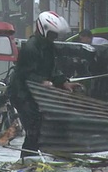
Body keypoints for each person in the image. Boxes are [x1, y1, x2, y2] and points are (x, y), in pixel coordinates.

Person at [8, 11, 82, 161]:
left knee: (46, 125)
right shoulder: (30, 47)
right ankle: (27, 160)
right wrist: (42, 82)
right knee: (33, 128)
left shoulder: (49, 47)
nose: (54, 39)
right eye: (52, 35)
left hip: (37, 94)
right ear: (43, 29)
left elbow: (53, 69)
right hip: (22, 94)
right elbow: (26, 73)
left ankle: (42, 156)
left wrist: (63, 82)